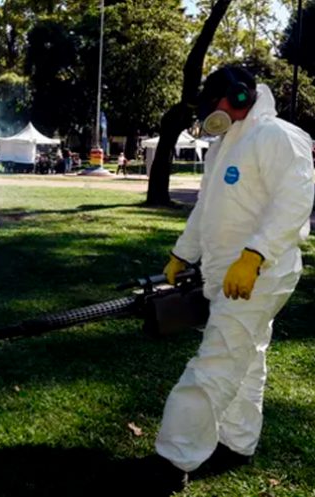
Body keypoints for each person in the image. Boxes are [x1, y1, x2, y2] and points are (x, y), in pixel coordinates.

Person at [144, 66, 315, 493]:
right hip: (226, 275)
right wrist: (182, 253)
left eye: (214, 105)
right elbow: (207, 208)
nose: (210, 117)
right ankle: (238, 442)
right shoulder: (225, 146)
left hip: (261, 273)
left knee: (216, 359)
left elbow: (295, 201)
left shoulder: (278, 136)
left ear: (240, 97)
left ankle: (173, 457)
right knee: (248, 355)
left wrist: (255, 254)